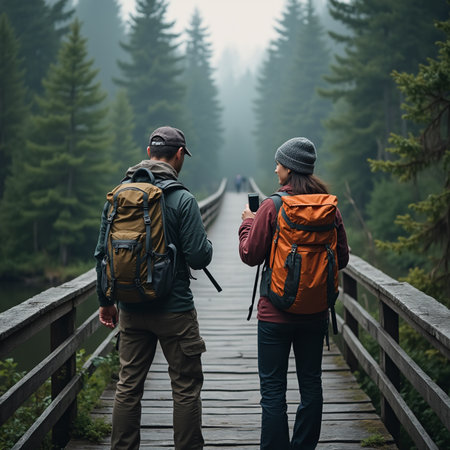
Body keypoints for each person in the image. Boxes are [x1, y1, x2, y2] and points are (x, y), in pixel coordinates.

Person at [94, 126, 213, 450]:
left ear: (149, 153)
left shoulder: (118, 195)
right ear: (178, 156)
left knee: (128, 387)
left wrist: (106, 301)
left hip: (132, 308)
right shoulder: (182, 199)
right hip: (175, 310)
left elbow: (102, 253)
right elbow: (199, 256)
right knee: (185, 388)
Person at [238, 137, 349, 449]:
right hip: (314, 313)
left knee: (273, 390)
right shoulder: (330, 207)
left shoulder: (272, 206)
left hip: (275, 313)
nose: (275, 170)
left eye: (279, 164)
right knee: (311, 384)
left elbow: (250, 254)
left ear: (289, 168)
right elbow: (343, 257)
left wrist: (247, 224)